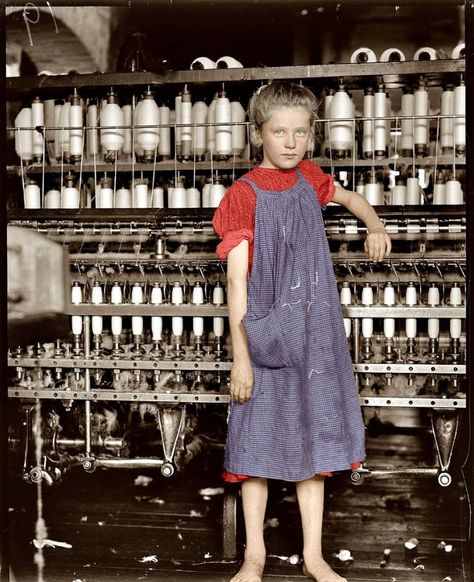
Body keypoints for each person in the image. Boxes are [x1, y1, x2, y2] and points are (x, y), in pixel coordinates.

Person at [212, 81, 391, 582]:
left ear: (311, 134)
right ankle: (255, 556)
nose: (291, 142)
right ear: (257, 135)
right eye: (278, 132)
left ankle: (313, 556)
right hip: (265, 332)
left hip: (314, 334)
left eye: (300, 132)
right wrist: (241, 358)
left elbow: (354, 199)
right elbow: (237, 280)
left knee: (313, 444)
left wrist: (375, 225)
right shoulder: (242, 196)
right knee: (256, 448)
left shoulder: (311, 179)